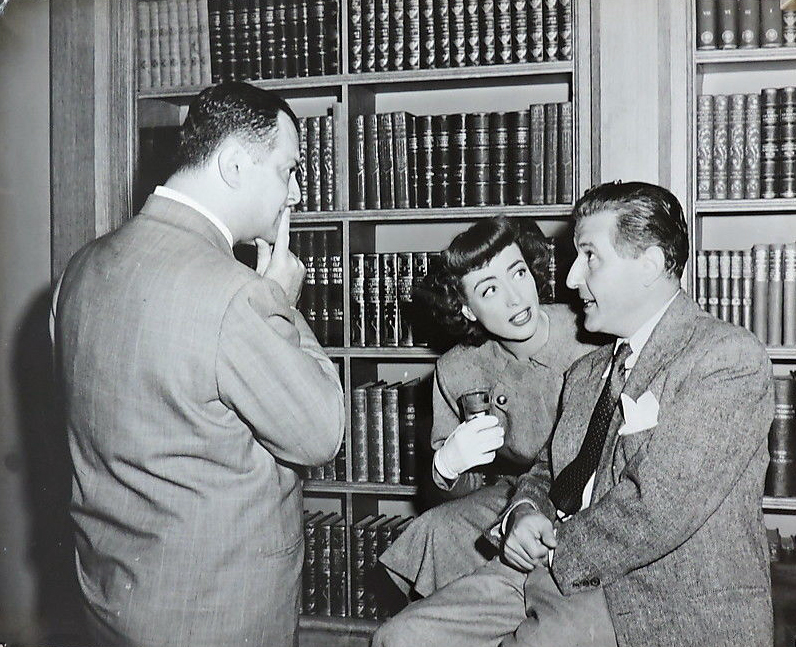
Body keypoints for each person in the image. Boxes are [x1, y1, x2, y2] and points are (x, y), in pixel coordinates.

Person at [372, 181, 775, 647]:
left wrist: (549, 549)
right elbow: (550, 468)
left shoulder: (724, 357)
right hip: (549, 566)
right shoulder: (590, 370)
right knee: (399, 639)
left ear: (648, 264)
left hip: (646, 594)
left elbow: (657, 511)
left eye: (589, 257)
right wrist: (525, 511)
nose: (568, 280)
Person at [50, 82, 345, 647]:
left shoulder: (78, 272)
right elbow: (321, 433)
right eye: (288, 169)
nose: (297, 194)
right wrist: (279, 302)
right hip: (216, 617)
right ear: (234, 164)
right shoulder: (238, 297)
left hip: (110, 604)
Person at [379, 216, 596, 598]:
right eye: (490, 290)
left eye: (518, 273)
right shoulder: (458, 369)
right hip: (517, 492)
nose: (515, 298)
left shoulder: (590, 335)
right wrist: (446, 467)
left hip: (594, 493)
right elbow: (444, 493)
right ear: (466, 309)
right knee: (435, 529)